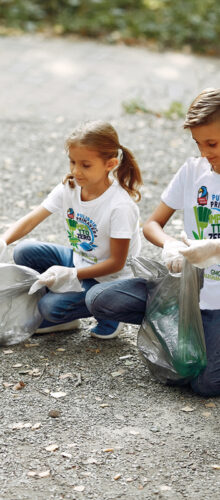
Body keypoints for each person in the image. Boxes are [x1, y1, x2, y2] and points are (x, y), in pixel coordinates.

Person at [85, 88, 220, 397]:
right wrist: (169, 244)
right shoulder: (192, 171)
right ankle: (175, 324)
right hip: (184, 288)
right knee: (99, 300)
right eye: (198, 143)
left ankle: (189, 335)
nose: (204, 152)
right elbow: (152, 224)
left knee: (204, 384)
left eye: (211, 143)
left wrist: (215, 248)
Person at [0, 121, 142, 338]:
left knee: (50, 308)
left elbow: (116, 263)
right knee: (24, 250)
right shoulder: (71, 187)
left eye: (85, 165)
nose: (75, 171)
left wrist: (71, 274)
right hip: (82, 260)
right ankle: (66, 308)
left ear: (110, 164)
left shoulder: (120, 206)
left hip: (108, 279)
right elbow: (32, 219)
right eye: (72, 162)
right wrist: (0, 241)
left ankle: (108, 313)